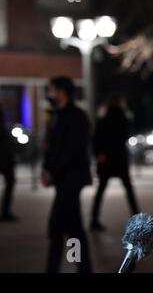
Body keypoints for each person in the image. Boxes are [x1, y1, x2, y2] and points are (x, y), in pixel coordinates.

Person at [41, 76, 92, 273]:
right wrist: (47, 169)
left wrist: (52, 172)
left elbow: (72, 150)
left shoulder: (76, 116)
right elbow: (51, 147)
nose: (49, 94)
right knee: (73, 228)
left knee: (56, 228)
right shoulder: (56, 115)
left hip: (71, 178)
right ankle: (84, 268)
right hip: (62, 179)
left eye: (52, 89)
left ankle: (54, 268)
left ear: (62, 91)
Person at [90, 95, 139, 231]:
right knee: (129, 190)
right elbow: (127, 134)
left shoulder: (103, 119)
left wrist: (99, 154)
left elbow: (95, 138)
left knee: (101, 190)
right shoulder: (122, 118)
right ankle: (137, 218)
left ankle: (94, 219)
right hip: (119, 159)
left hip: (105, 160)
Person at [0, 105, 17, 222]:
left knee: (10, 182)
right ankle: (5, 211)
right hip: (4, 157)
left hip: (5, 157)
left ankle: (6, 211)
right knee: (10, 182)